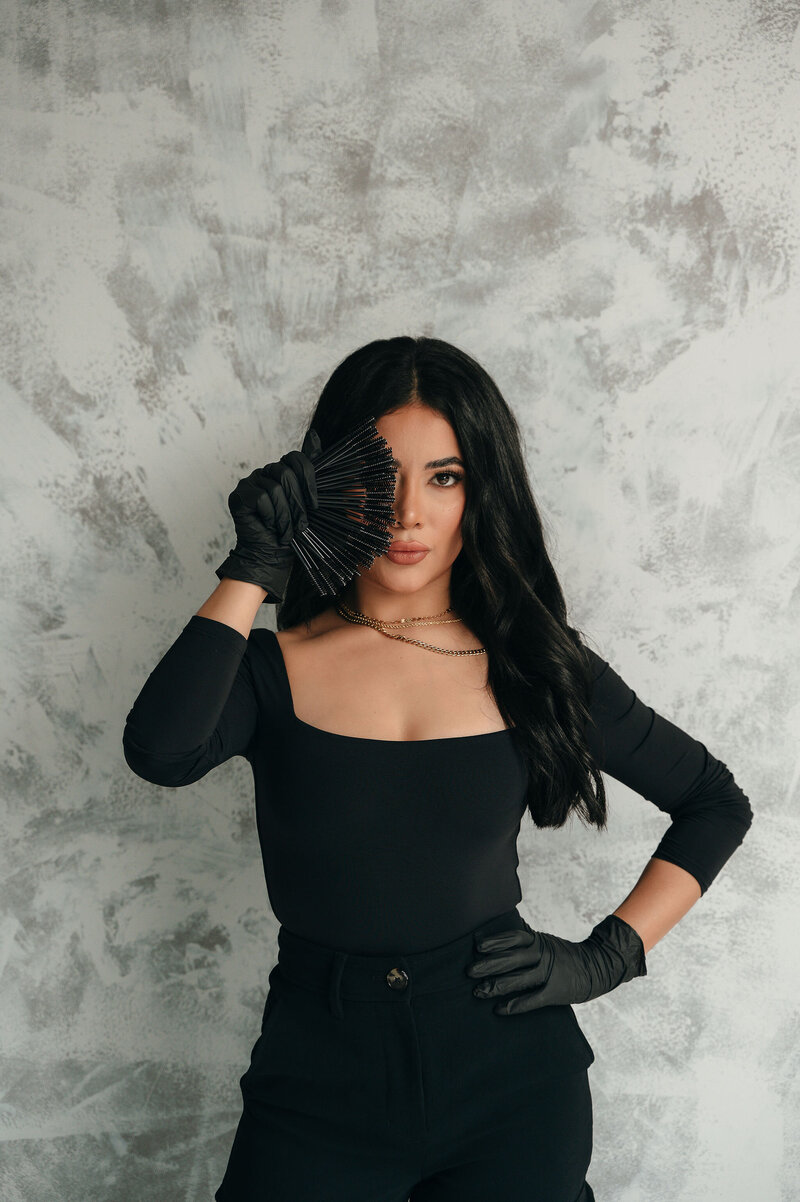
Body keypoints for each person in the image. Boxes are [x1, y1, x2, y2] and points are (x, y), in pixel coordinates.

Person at [122, 336, 752, 1202]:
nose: (408, 513)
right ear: (330, 481)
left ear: (481, 490)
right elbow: (160, 752)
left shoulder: (535, 663)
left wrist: (607, 958)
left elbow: (715, 802)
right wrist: (254, 568)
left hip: (513, 1078)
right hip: (318, 1084)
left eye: (445, 477)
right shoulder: (273, 670)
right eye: (381, 478)